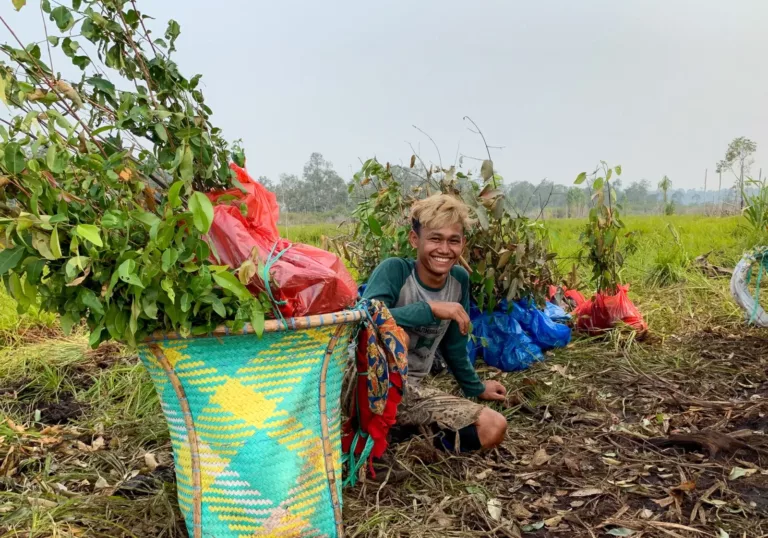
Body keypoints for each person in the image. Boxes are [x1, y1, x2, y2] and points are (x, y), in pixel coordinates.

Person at [362, 194, 508, 452]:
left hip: (412, 393)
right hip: (372, 389)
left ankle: (411, 444)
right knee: (397, 337)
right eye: (435, 239)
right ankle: (377, 430)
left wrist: (476, 387)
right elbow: (364, 317)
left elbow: (454, 346)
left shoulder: (458, 280)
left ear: (463, 243)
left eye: (454, 240)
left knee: (493, 427)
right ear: (415, 239)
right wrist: (429, 309)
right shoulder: (395, 271)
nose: (444, 249)